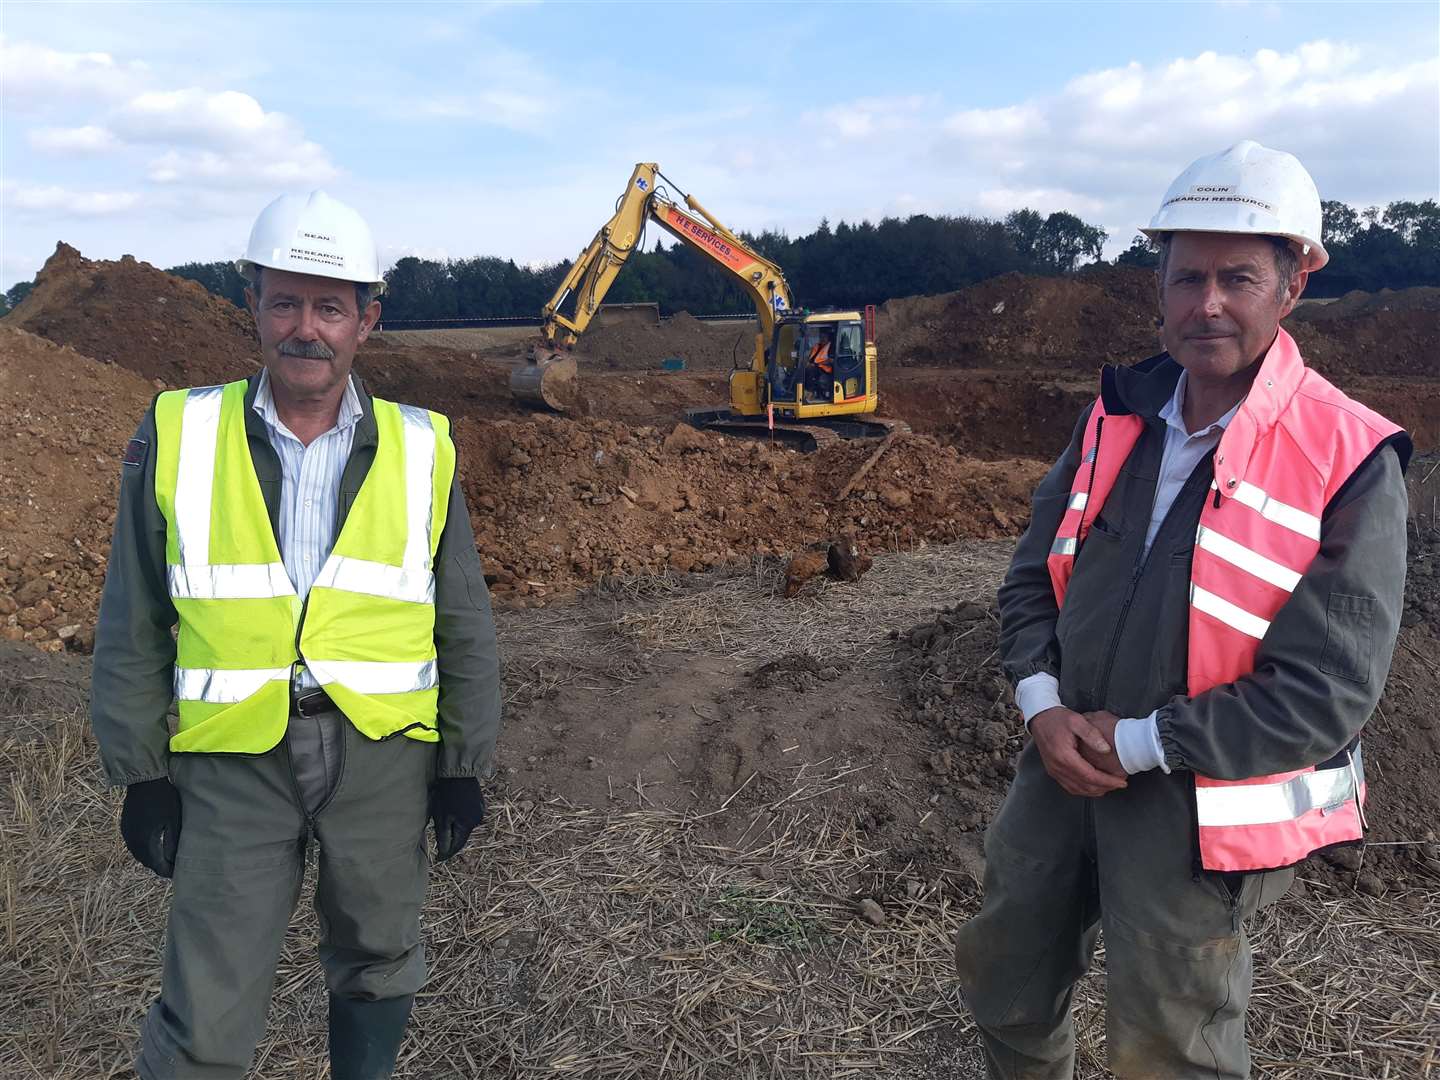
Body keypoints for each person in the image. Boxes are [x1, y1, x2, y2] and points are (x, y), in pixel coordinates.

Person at [952, 141, 1411, 1078]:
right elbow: (1033, 575)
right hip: (1060, 758)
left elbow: (1326, 692)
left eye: (1237, 277)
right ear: (1157, 289)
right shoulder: (1116, 412)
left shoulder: (1349, 454)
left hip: (1196, 800)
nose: (1207, 303)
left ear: (1293, 286)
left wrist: (1134, 743)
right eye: (1186, 276)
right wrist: (1042, 708)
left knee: (1171, 1041)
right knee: (1007, 974)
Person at [90, 190, 503, 1080]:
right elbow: (134, 617)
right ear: (254, 306)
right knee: (207, 999)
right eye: (284, 301)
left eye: (328, 306)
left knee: (380, 953)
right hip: (232, 762)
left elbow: (460, 616)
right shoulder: (178, 433)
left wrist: (463, 765)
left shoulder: (423, 446)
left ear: (367, 320)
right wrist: (140, 773)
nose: (304, 328)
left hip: (382, 754)